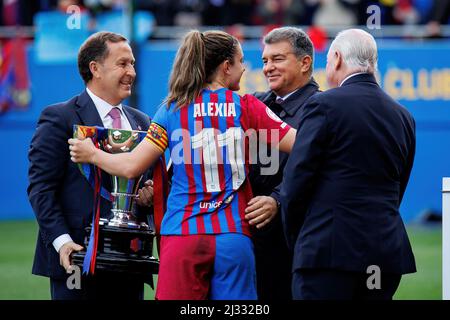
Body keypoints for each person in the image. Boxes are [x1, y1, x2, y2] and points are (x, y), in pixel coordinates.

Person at [69, 30, 296, 300]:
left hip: (182, 234)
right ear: (226, 67)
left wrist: (92, 154)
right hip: (233, 236)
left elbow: (130, 166)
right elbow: (304, 145)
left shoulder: (172, 108)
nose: (244, 68)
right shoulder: (247, 106)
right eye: (240, 61)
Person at [280, 28, 416, 300]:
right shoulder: (404, 116)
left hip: (327, 254)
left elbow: (296, 182)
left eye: (328, 61)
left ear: (338, 58)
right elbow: (399, 186)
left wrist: (299, 241)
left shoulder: (323, 105)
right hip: (384, 255)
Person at [27, 31, 155, 300]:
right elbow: (41, 189)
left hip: (129, 260)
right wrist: (62, 242)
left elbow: (150, 185)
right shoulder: (60, 117)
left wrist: (149, 196)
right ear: (94, 68)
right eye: (122, 64)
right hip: (75, 258)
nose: (131, 71)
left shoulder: (143, 122)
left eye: (132, 63)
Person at [245, 26, 319, 300]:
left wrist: (277, 200)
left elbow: (318, 168)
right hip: (247, 238)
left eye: (277, 59)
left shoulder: (323, 107)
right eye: (265, 60)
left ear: (305, 62)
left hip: (295, 243)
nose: (267, 68)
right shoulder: (252, 103)